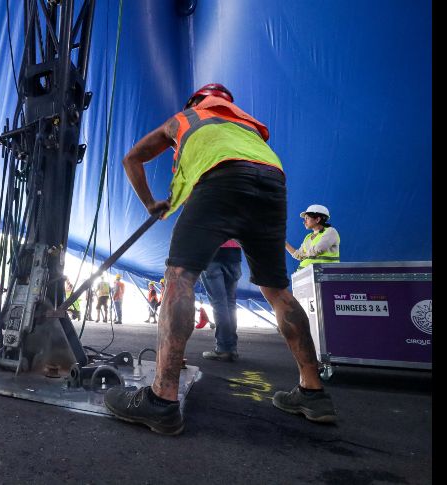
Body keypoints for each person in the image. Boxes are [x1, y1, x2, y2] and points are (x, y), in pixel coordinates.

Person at [104, 83, 337, 435]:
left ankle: (162, 399)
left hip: (221, 179)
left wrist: (152, 204)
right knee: (277, 290)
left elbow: (131, 158)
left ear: (196, 101)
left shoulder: (185, 118)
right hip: (272, 183)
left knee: (180, 278)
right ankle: (313, 392)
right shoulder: (246, 125)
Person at [200, 240, 243, 362]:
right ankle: (232, 348)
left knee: (219, 303)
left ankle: (224, 348)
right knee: (230, 303)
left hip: (211, 251)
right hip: (234, 253)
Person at [285, 205, 340, 271]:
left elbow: (318, 249)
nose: (304, 222)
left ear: (317, 219)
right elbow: (299, 255)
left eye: (307, 218)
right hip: (304, 276)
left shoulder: (331, 232)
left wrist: (304, 255)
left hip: (322, 275)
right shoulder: (308, 237)